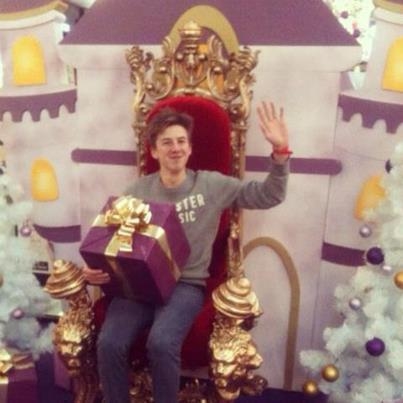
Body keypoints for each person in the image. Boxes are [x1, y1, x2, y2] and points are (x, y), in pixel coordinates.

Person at [83, 101, 291, 403]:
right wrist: (97, 269)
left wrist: (281, 152)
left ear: (190, 148)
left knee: (161, 342)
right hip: (140, 287)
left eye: (181, 141)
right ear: (154, 151)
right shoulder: (136, 192)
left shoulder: (211, 185)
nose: (176, 148)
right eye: (167, 142)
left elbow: (269, 195)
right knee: (109, 342)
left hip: (185, 285)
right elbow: (110, 243)